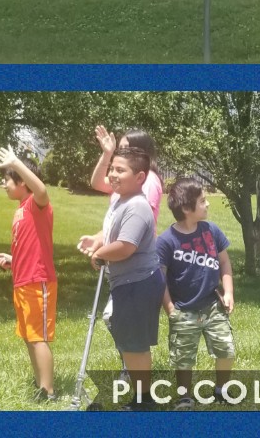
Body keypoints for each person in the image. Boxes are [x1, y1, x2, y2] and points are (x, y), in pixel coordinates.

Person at [78, 146, 166, 411]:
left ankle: (144, 402)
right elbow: (113, 233)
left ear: (140, 177)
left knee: (136, 345)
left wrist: (99, 253)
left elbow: (126, 246)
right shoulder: (120, 200)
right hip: (127, 283)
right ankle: (141, 397)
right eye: (112, 168)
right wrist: (97, 239)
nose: (113, 175)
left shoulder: (138, 206)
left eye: (120, 170)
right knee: (130, 342)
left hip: (139, 284)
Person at [156, 179, 236, 409]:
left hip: (212, 304)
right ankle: (184, 396)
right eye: (202, 201)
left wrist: (228, 292)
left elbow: (224, 263)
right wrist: (170, 307)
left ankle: (221, 390)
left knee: (225, 347)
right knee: (183, 357)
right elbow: (160, 278)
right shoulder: (166, 241)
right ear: (186, 209)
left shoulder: (211, 231)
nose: (208, 204)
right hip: (183, 308)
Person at [0, 146, 56, 403]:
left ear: (22, 181)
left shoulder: (36, 204)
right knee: (29, 336)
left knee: (38, 336)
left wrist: (16, 163)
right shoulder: (20, 209)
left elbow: (41, 190)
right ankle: (40, 382)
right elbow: (28, 246)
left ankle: (49, 391)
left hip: (38, 280)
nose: (3, 184)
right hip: (22, 279)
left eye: (7, 179)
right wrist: (12, 259)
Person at [90, 125, 164, 227]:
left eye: (127, 149)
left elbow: (138, 224)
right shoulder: (124, 176)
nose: (122, 153)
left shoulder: (149, 180)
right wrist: (107, 154)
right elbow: (97, 183)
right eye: (120, 149)